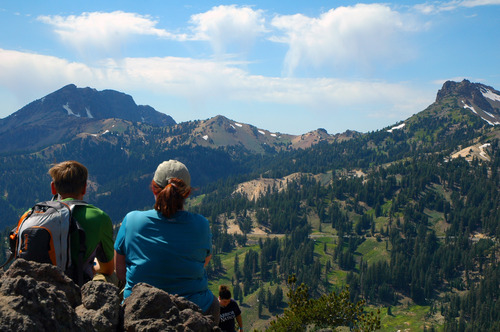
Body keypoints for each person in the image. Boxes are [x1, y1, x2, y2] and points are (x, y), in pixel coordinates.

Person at [114, 159, 219, 323]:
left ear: (154, 189)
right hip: (193, 311)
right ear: (188, 193)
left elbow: (120, 273)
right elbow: (203, 262)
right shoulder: (201, 224)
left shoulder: (131, 220)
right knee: (213, 303)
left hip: (139, 309)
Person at [48, 160, 115, 282]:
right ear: (84, 188)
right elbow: (108, 269)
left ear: (53, 188)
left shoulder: (32, 213)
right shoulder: (99, 217)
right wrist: (94, 265)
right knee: (113, 276)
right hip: (76, 289)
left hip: (34, 288)